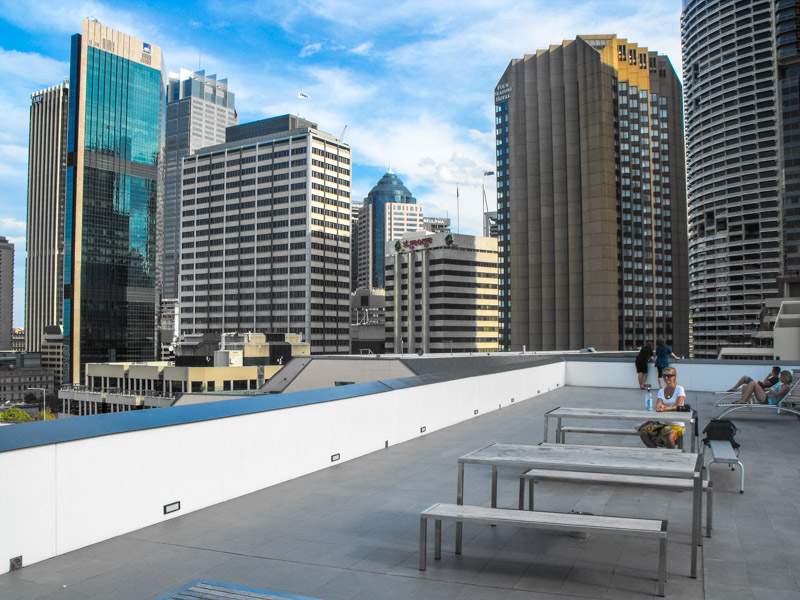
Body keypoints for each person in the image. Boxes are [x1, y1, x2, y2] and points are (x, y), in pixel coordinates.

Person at [639, 367, 685, 449]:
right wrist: (660, 407)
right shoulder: (661, 391)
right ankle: (656, 453)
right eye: (664, 376)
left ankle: (671, 458)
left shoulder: (679, 389)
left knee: (669, 437)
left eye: (669, 375)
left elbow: (679, 405)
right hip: (662, 423)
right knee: (643, 433)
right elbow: (658, 405)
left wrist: (665, 409)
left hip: (675, 424)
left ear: (674, 377)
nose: (667, 378)